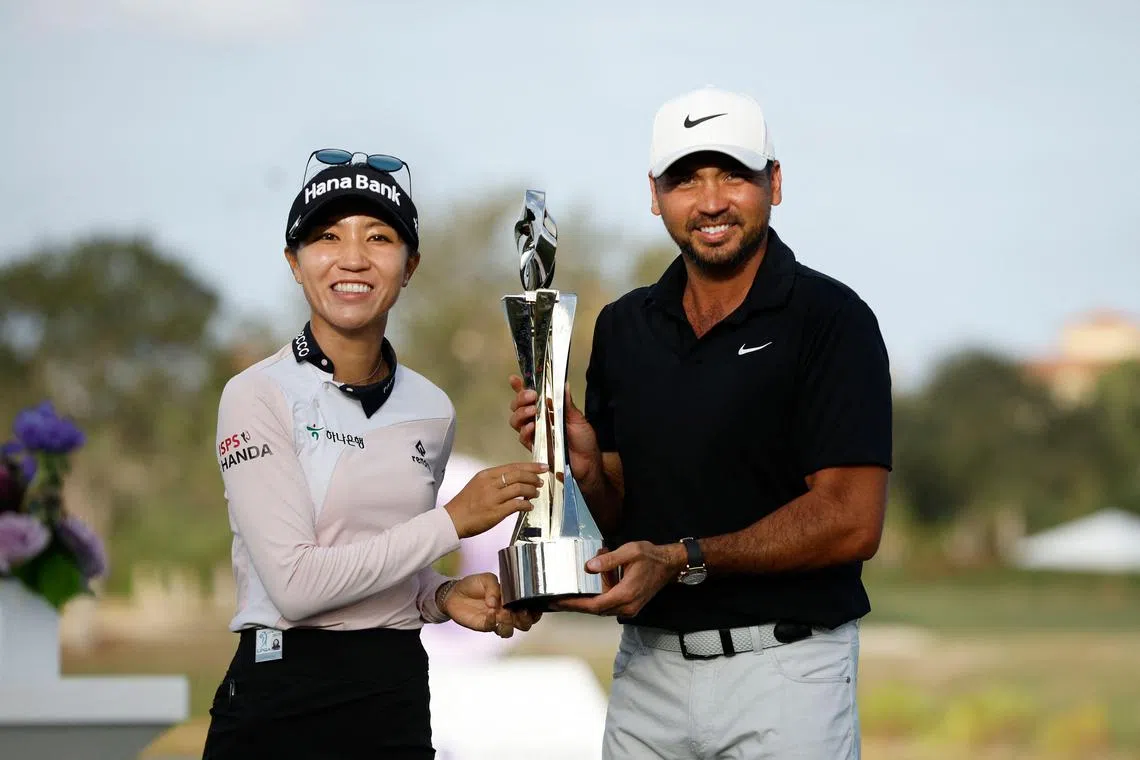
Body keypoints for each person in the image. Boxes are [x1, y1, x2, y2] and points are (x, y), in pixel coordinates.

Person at [508, 87, 892, 758]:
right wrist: (590, 469)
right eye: (685, 179)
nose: (710, 201)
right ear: (655, 194)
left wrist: (684, 559)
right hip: (649, 672)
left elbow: (852, 518)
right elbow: (619, 510)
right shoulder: (625, 326)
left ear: (773, 182)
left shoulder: (831, 319)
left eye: (732, 175)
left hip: (786, 672)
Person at [203, 149, 545, 760]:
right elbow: (297, 587)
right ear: (294, 262)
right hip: (280, 699)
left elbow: (373, 556)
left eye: (379, 237)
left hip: (395, 695)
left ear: (410, 265)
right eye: (327, 237)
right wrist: (451, 522)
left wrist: (436, 596)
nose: (353, 258)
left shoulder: (432, 409)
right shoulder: (257, 394)